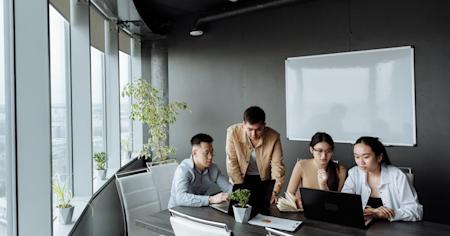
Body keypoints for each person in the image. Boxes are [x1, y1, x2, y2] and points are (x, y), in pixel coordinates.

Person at [342, 136, 423, 221]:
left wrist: (389, 214)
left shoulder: (398, 176)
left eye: (366, 157)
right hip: (364, 226)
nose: (361, 162)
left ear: (379, 157)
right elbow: (344, 203)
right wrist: (371, 211)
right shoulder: (354, 173)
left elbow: (416, 211)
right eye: (357, 157)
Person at [226, 106, 285, 204]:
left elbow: (277, 166)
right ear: (244, 124)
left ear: (264, 125)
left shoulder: (274, 137)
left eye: (258, 129)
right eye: (250, 129)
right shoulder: (233, 132)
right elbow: (232, 162)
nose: (254, 134)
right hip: (239, 178)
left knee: (263, 212)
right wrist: (240, 189)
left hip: (263, 179)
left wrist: (274, 191)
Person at [168, 133, 232, 208]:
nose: (210, 157)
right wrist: (211, 199)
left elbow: (228, 188)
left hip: (197, 209)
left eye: (212, 152)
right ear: (194, 153)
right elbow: (180, 198)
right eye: (206, 153)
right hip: (177, 211)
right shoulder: (183, 170)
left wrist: (236, 195)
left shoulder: (213, 168)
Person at [287, 132, 346, 208]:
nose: (324, 156)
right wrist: (297, 201)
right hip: (305, 212)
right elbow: (289, 195)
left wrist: (323, 185)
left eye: (328, 151)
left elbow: (337, 202)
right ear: (311, 150)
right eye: (319, 151)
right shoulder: (301, 165)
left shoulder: (340, 170)